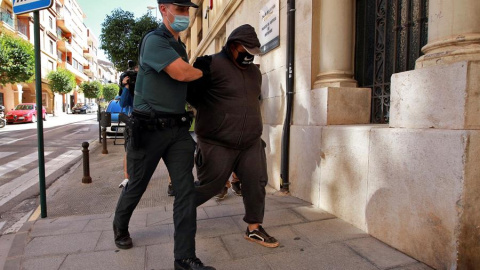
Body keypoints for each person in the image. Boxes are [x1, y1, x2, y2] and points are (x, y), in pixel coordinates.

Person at [112, 1, 215, 270]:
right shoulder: (154, 40)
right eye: (179, 9)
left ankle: (184, 258)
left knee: (185, 191)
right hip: (147, 130)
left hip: (178, 130)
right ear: (163, 10)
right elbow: (182, 73)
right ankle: (120, 227)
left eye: (186, 10)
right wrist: (208, 72)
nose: (184, 14)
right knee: (137, 185)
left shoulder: (179, 45)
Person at [188, 24, 279, 248]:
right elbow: (191, 96)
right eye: (245, 51)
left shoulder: (255, 72)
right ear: (232, 46)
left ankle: (254, 228)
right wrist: (219, 118)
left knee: (256, 183)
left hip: (250, 142)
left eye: (253, 53)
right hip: (217, 142)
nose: (249, 56)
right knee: (210, 186)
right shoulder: (207, 64)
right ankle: (182, 209)